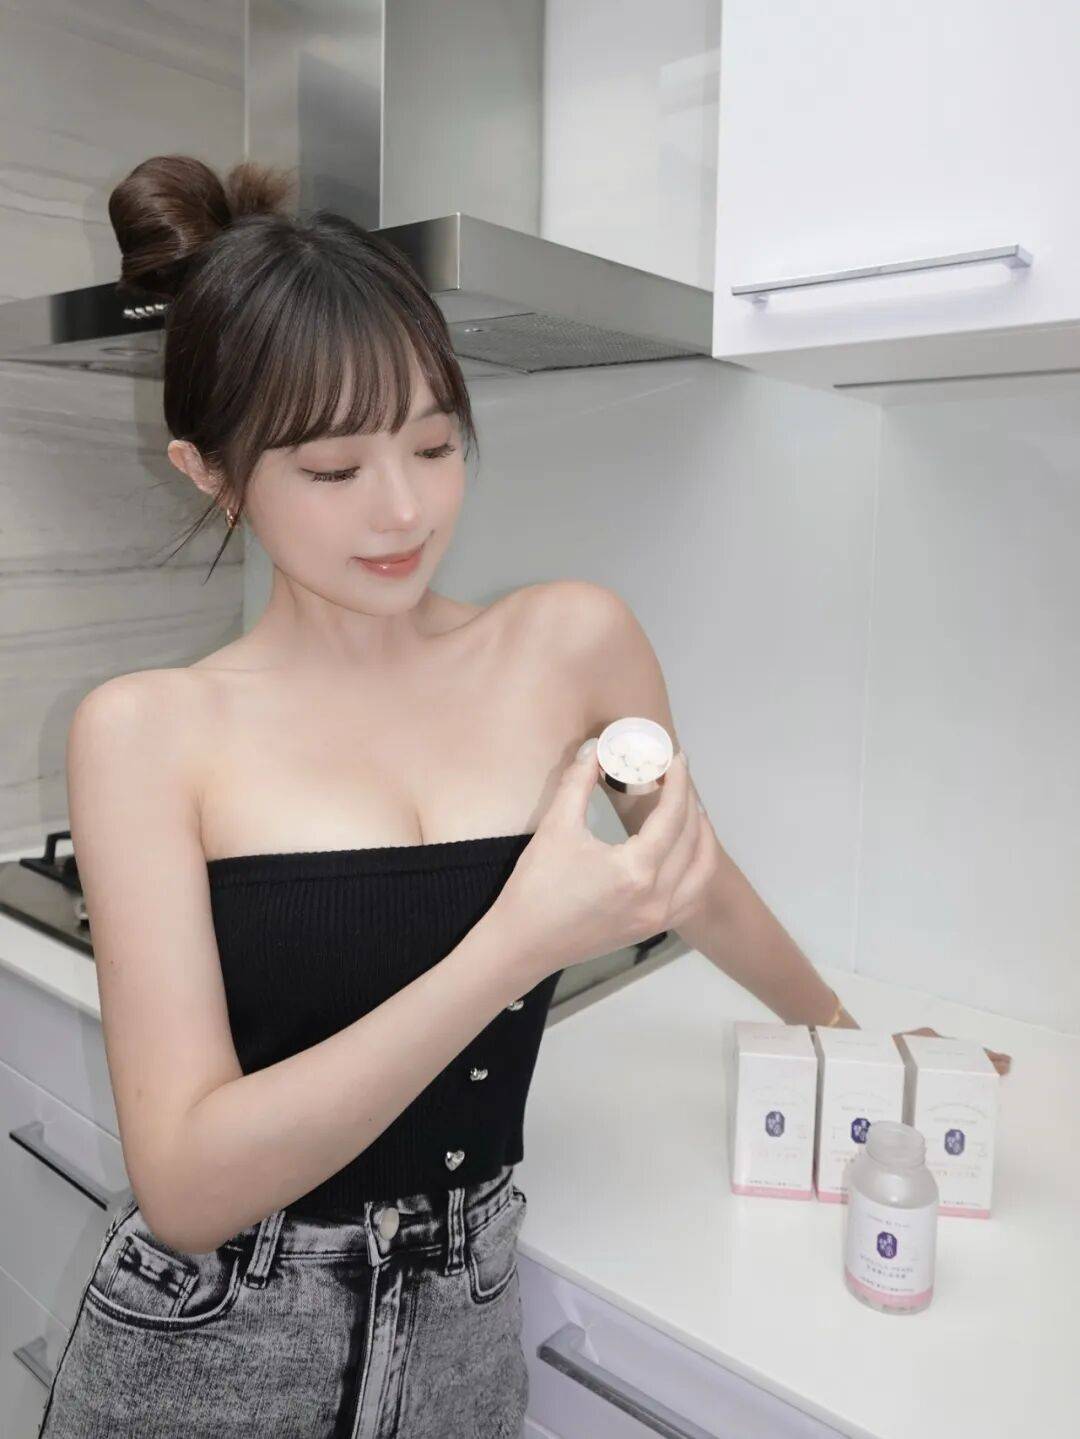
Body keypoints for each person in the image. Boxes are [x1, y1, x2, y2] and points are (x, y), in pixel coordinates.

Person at [39, 154, 1008, 1439]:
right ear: (210, 470)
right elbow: (188, 1186)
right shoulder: (145, 732)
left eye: (436, 444)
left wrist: (854, 1043)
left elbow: (694, 875)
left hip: (468, 1317)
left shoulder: (571, 643)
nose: (402, 508)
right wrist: (517, 940)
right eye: (332, 469)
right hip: (215, 1337)